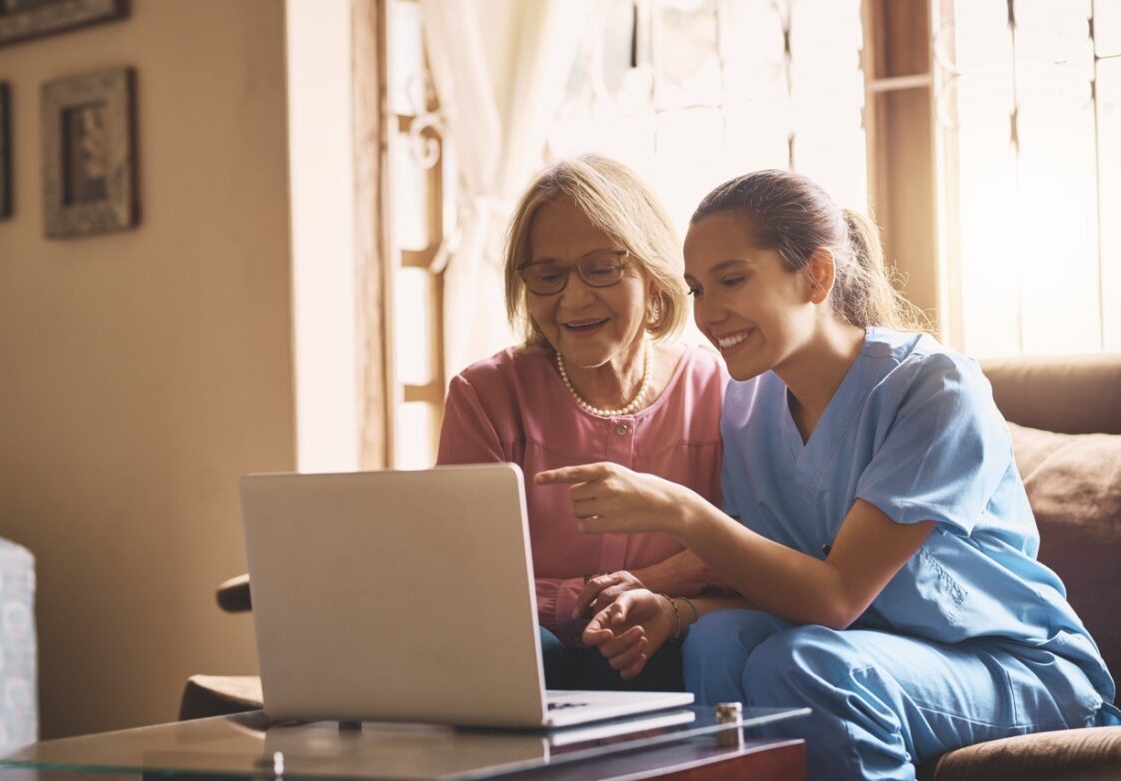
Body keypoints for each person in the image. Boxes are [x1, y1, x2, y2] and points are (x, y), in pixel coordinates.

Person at [535, 168, 1120, 779]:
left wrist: (680, 510)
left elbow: (837, 598)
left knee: (807, 662)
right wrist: (677, 611)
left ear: (816, 276)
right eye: (696, 290)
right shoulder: (745, 405)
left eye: (731, 280)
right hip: (860, 646)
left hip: (1013, 666)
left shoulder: (935, 389)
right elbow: (778, 577)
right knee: (717, 643)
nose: (707, 314)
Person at [436, 154, 730, 692]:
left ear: (652, 274)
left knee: (659, 651)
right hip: (529, 647)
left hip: (667, 644)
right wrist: (600, 597)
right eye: (548, 275)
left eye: (602, 268)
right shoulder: (484, 395)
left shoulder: (723, 389)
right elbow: (466, 584)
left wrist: (658, 595)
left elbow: (755, 555)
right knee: (525, 651)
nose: (573, 298)